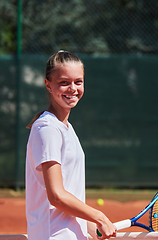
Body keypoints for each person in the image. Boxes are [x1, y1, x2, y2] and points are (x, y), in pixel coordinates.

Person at [25, 50, 117, 239]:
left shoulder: (65, 128)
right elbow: (56, 196)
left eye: (78, 82)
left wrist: (87, 224)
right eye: (64, 82)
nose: (73, 88)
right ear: (48, 85)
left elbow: (68, 189)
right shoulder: (48, 129)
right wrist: (99, 217)